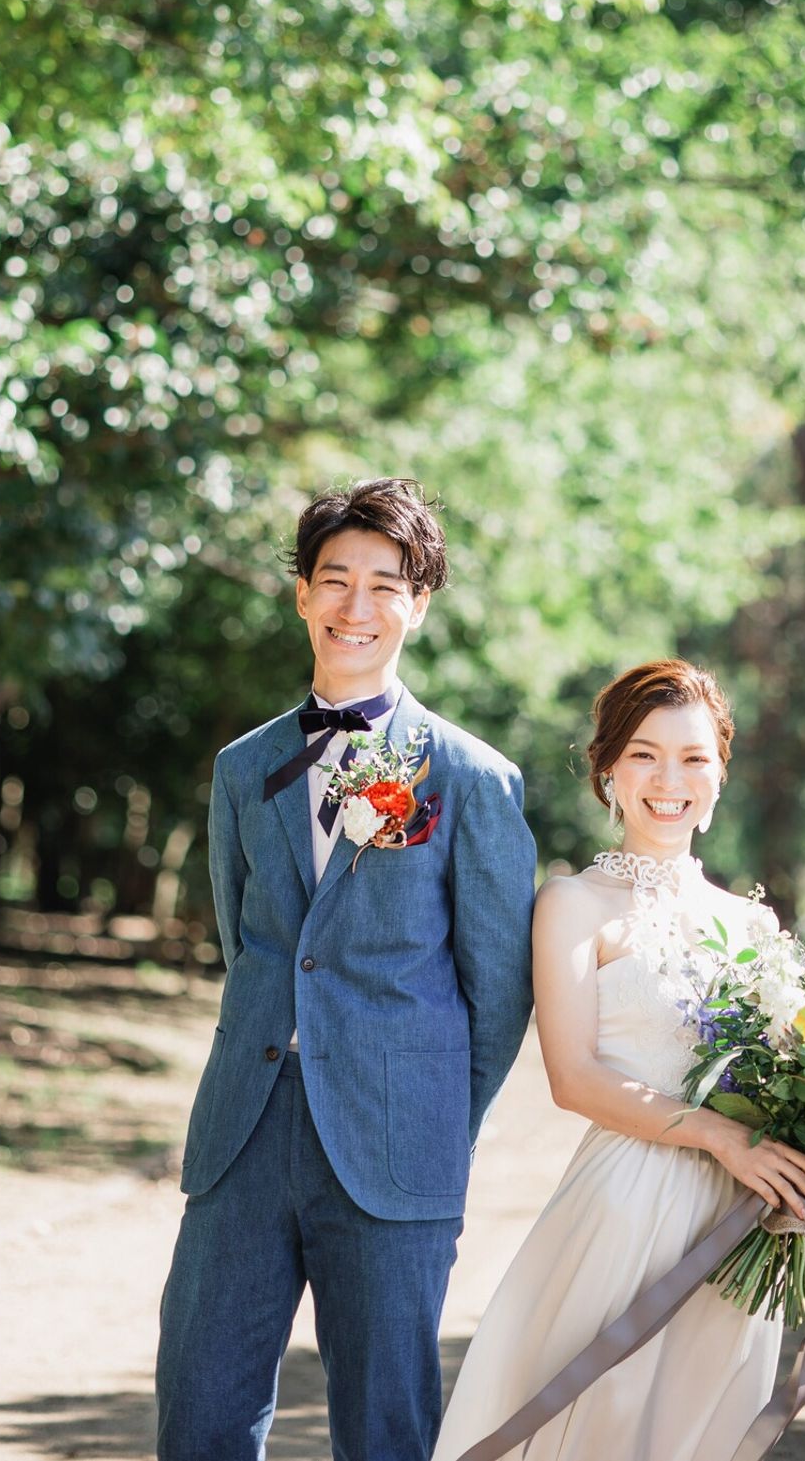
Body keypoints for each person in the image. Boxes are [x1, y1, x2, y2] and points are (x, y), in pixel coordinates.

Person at [155, 477, 537, 1461]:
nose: (354, 606)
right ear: (301, 594)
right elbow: (251, 944)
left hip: (395, 1143)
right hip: (243, 1129)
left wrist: (433, 1117)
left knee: (384, 1429)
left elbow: (499, 990)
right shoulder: (242, 768)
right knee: (198, 1412)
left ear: (419, 603)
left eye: (383, 585)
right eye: (333, 579)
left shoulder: (471, 778)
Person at [433, 658, 805, 1461]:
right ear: (607, 767)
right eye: (644, 753)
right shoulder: (572, 903)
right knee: (597, 1420)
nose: (669, 779)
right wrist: (720, 1136)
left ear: (720, 773)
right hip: (626, 1203)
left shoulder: (753, 924)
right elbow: (573, 1077)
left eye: (693, 757)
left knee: (699, 1429)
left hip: (737, 1217)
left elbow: (780, 1078)